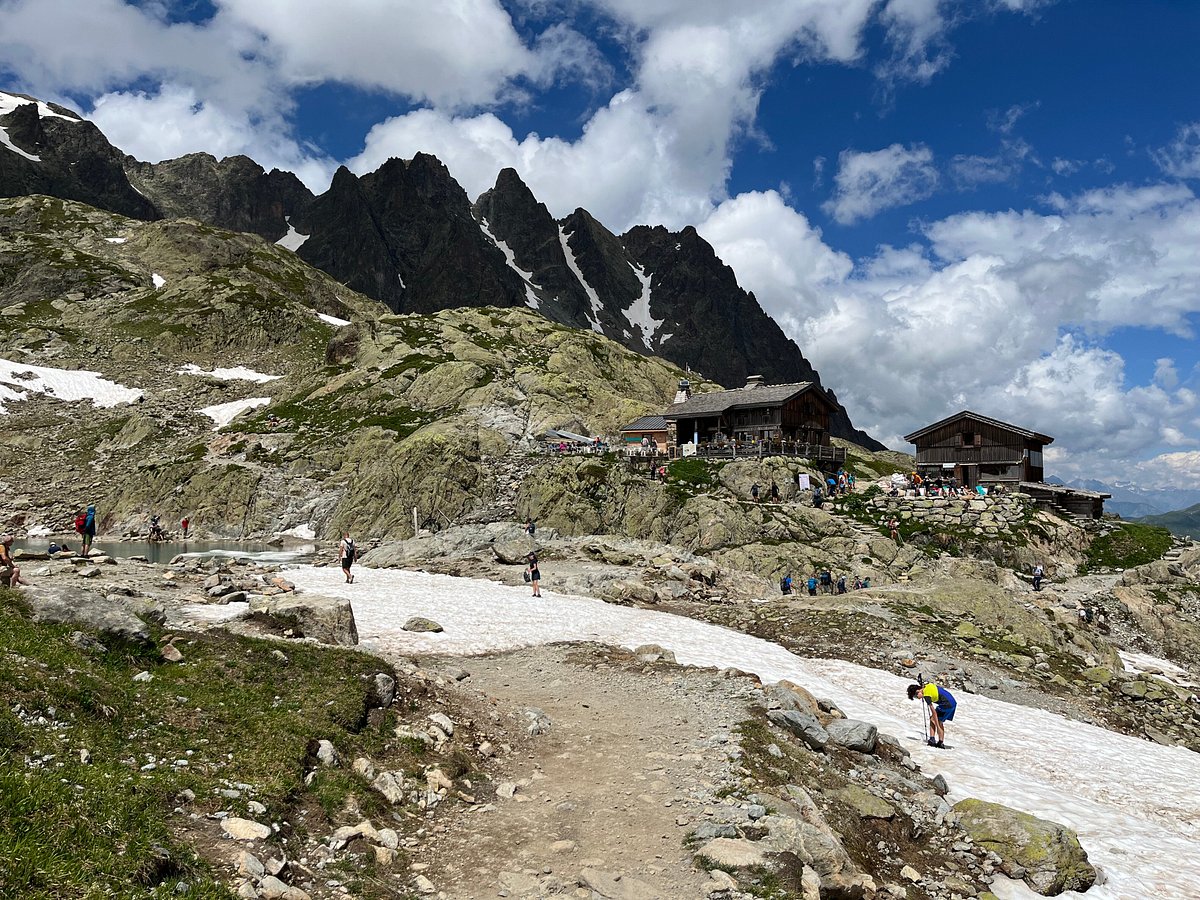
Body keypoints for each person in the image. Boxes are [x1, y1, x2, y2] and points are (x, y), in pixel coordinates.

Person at [908, 681, 956, 748]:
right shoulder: (926, 686)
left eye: (916, 696)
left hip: (947, 704)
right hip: (952, 702)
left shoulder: (927, 696)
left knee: (934, 719)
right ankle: (940, 742)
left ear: (917, 691)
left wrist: (938, 727)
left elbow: (934, 712)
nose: (918, 698)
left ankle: (933, 740)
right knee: (939, 721)